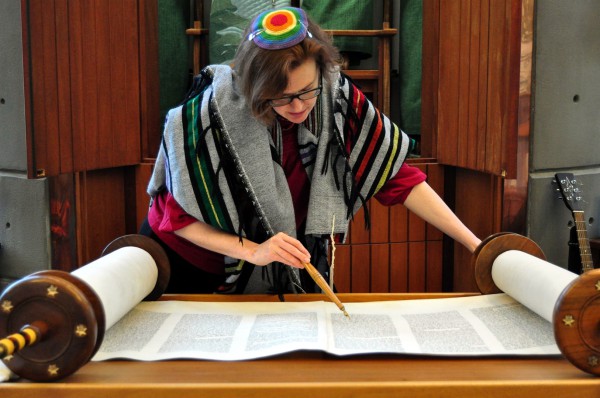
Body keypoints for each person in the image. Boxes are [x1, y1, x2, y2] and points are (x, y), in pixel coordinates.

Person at [142, 7, 481, 295]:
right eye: (280, 96)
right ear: (252, 88)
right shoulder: (208, 116)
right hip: (190, 262)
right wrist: (255, 251)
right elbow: (173, 217)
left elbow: (399, 178)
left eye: (307, 90)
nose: (299, 106)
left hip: (276, 259)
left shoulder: (336, 98)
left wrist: (475, 246)